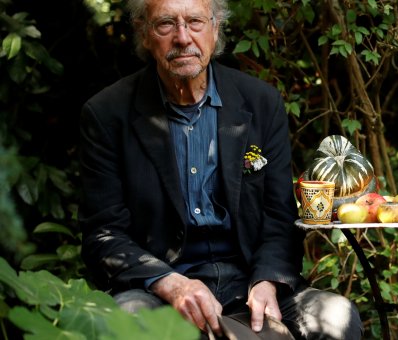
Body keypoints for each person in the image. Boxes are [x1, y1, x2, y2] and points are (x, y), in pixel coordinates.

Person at [78, 0, 363, 338]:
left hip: (248, 281)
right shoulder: (107, 114)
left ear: (215, 28)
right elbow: (103, 234)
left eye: (195, 21)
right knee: (129, 321)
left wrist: (267, 281)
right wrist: (171, 284)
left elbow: (278, 216)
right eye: (166, 24)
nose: (183, 37)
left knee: (338, 318)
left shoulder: (260, 102)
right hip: (157, 289)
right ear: (145, 34)